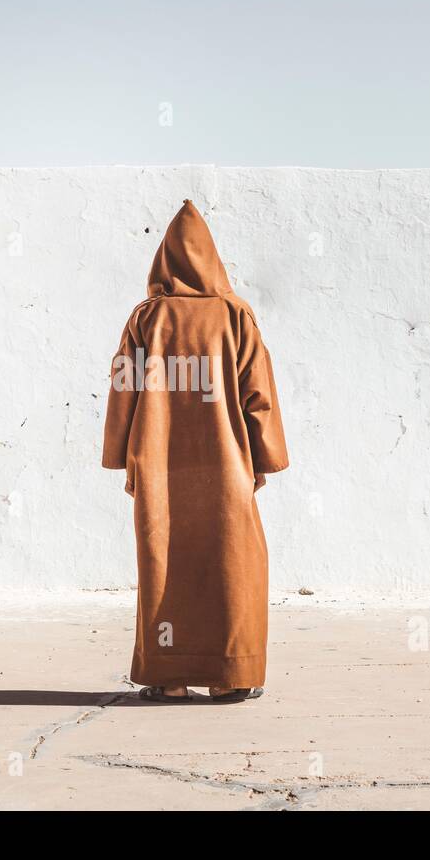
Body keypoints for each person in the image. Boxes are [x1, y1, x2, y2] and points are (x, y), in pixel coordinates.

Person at [102, 199, 289, 703]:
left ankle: (169, 679)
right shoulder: (235, 317)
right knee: (231, 562)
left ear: (163, 261)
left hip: (160, 465)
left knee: (165, 564)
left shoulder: (147, 319)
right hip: (227, 464)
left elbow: (124, 389)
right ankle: (230, 675)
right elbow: (259, 395)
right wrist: (264, 459)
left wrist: (121, 457)